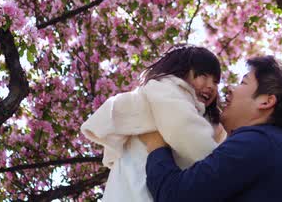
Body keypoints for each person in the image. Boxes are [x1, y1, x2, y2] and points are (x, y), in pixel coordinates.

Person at [141, 55, 282, 202]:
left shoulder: (258, 143)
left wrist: (155, 143)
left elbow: (175, 196)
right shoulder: (273, 145)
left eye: (243, 82)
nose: (229, 89)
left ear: (266, 101)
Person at [81, 45, 227, 202]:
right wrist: (221, 169)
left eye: (215, 81)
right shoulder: (166, 89)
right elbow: (185, 132)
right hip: (138, 188)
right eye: (203, 75)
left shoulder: (186, 107)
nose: (211, 86)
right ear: (180, 71)